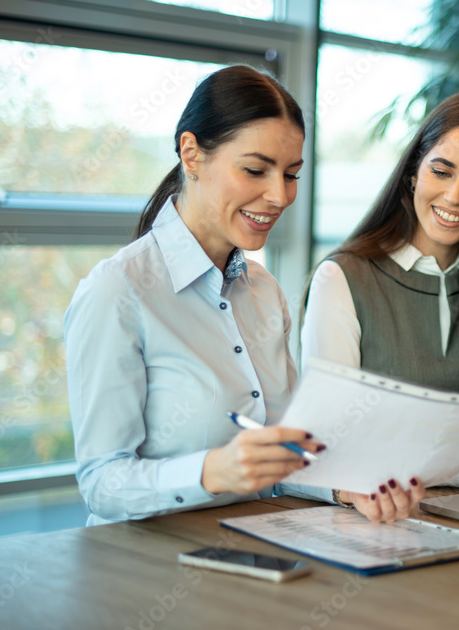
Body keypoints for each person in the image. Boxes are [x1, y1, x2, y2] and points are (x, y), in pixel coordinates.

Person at [64, 65, 421, 525]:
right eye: (256, 170)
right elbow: (102, 484)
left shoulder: (264, 292)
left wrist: (342, 486)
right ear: (191, 155)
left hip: (254, 551)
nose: (278, 196)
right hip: (145, 570)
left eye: (291, 174)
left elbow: (286, 455)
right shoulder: (119, 291)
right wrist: (213, 471)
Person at [301, 92, 459, 510]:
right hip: (376, 532)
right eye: (441, 172)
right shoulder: (343, 279)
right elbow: (329, 454)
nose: (456, 197)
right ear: (413, 174)